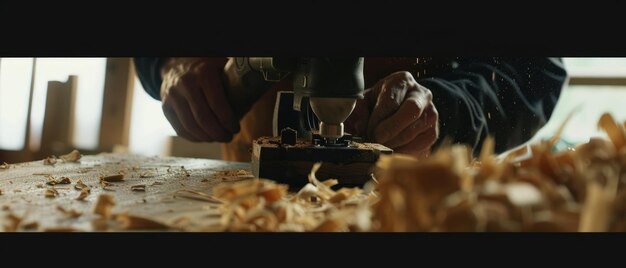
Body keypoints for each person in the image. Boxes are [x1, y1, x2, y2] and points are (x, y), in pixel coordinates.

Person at [134, 57, 568, 162]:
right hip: (253, 192)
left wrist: (450, 111)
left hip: (411, 191)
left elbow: (536, 68)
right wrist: (168, 63)